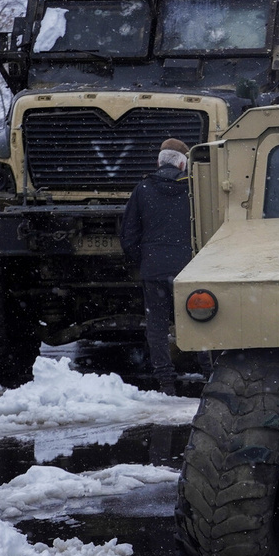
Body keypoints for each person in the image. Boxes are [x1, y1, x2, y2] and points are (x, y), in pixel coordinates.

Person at [121, 138, 192, 395]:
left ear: (158, 162)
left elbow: (128, 235)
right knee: (197, 320)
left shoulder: (142, 189)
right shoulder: (193, 189)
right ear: (183, 164)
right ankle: (209, 373)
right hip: (189, 269)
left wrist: (143, 260)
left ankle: (166, 381)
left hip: (154, 269)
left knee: (157, 326)